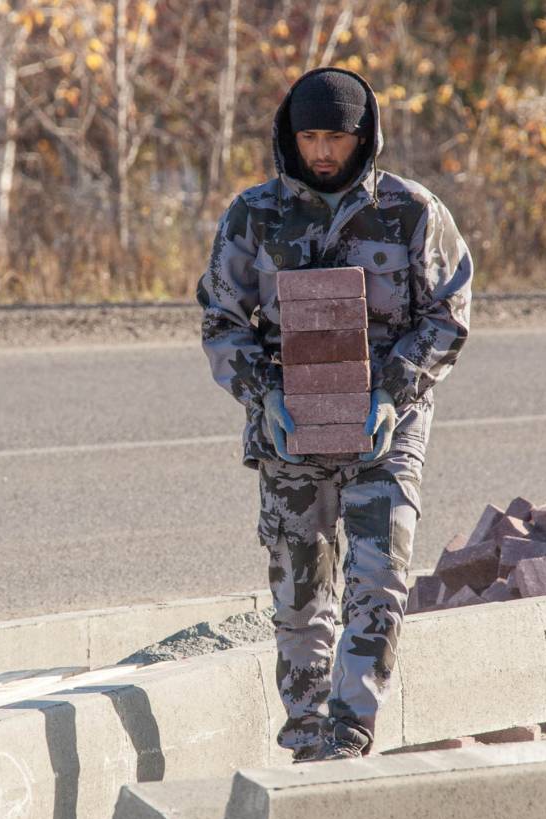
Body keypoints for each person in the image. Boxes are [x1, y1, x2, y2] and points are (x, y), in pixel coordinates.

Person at [197, 67, 472, 760]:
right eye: (310, 136)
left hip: (386, 421)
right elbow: (221, 321)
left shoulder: (410, 211)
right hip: (290, 421)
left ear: (364, 136)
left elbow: (449, 314)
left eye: (337, 138)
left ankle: (350, 727)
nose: (323, 152)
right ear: (290, 137)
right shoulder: (253, 215)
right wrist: (265, 394)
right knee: (300, 580)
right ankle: (306, 729)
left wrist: (392, 391)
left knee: (378, 574)